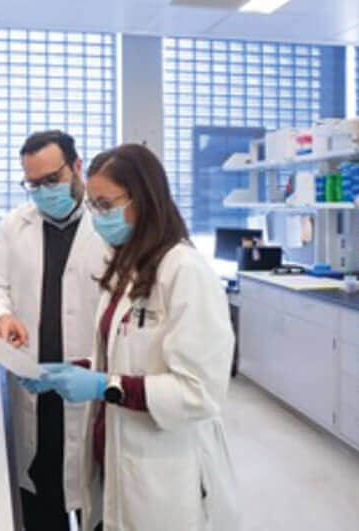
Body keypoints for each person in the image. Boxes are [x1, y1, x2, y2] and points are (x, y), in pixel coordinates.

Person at [23, 143, 239, 531]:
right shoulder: (127, 265)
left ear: (144, 198)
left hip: (165, 472)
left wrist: (104, 385)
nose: (98, 216)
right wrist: (70, 371)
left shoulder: (185, 272)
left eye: (106, 205)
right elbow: (125, 358)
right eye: (92, 205)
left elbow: (198, 393)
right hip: (114, 459)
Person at [0, 130, 109, 530]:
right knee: (41, 498)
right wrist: (0, 316)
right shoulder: (16, 225)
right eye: (33, 184)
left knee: (96, 498)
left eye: (52, 180)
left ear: (77, 167)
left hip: (91, 386)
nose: (43, 191)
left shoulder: (109, 226)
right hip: (35, 386)